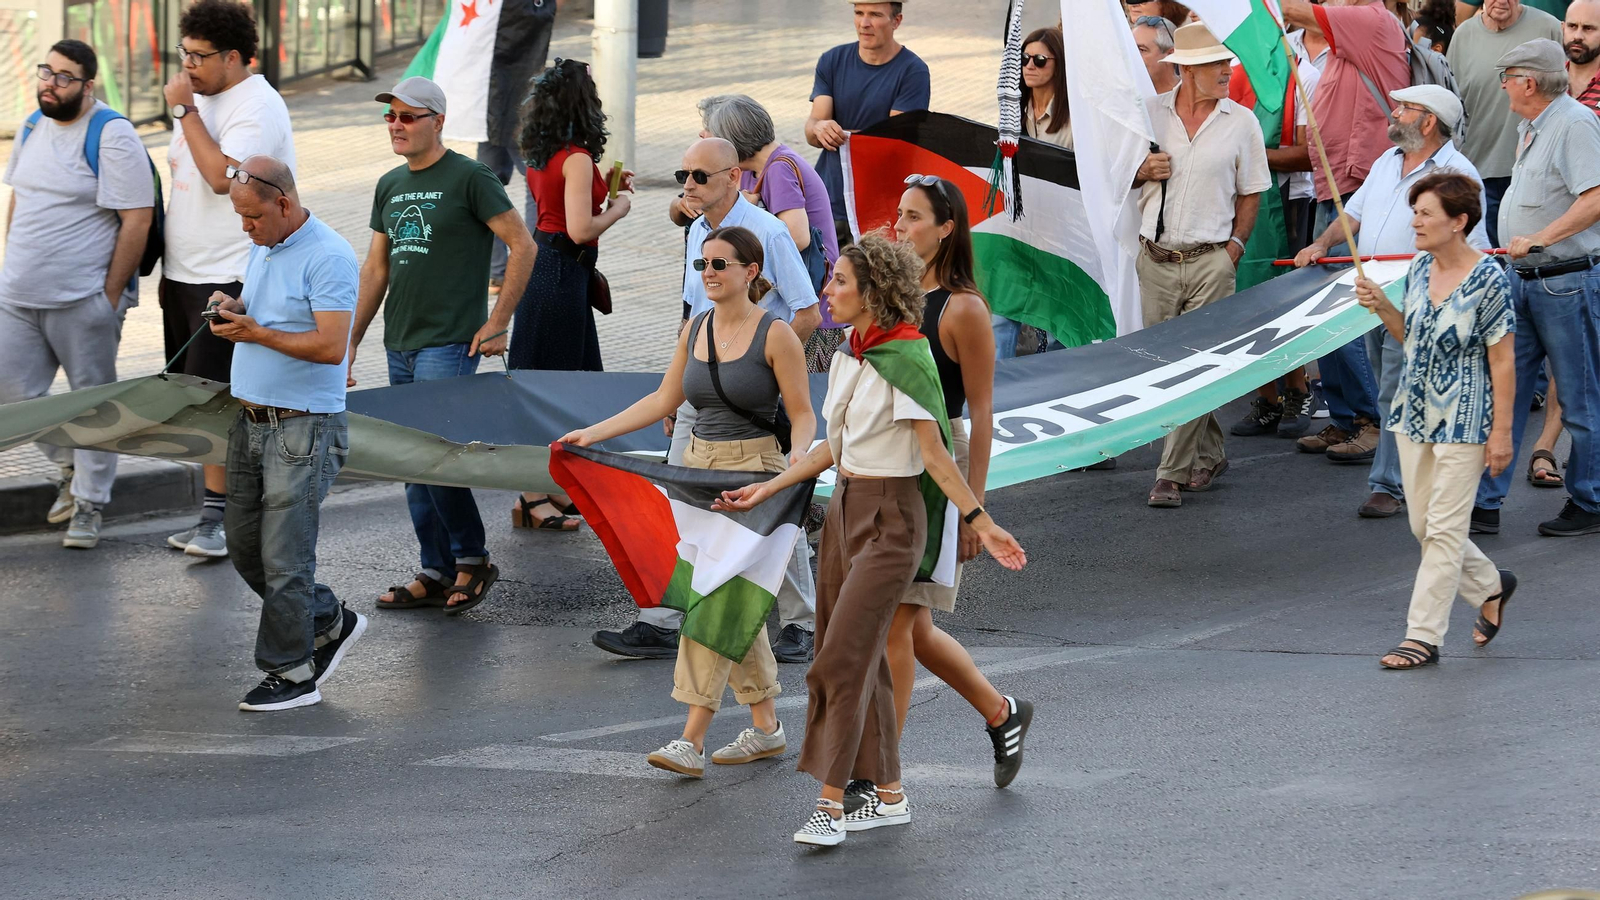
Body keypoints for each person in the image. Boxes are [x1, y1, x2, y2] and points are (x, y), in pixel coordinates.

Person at [712, 234, 1027, 847]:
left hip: (892, 519)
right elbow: (836, 445)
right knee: (865, 653)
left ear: (874, 293)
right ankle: (888, 794)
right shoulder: (849, 353)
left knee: (842, 658)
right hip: (846, 512)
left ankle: (833, 802)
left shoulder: (908, 359)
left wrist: (980, 520)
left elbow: (935, 454)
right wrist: (769, 487)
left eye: (839, 283)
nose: (827, 290)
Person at [559, 226, 815, 777]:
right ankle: (766, 727)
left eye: (721, 264)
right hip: (697, 479)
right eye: (703, 265)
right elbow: (663, 399)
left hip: (753, 480)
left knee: (712, 601)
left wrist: (796, 466)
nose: (709, 274)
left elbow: (802, 414)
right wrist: (591, 435)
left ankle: (691, 738)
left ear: (751, 271)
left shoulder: (776, 335)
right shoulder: (695, 328)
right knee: (729, 599)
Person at [590, 138, 820, 663]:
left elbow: (806, 310)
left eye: (698, 176)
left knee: (773, 512)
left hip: (755, 396)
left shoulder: (769, 232)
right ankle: (665, 619)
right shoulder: (699, 231)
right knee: (681, 507)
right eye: (682, 175)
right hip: (701, 378)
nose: (687, 185)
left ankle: (801, 622)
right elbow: (691, 320)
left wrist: (759, 367)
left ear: (733, 176)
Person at [348, 76, 537, 615]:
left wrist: (499, 322)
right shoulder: (389, 184)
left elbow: (522, 246)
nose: (397, 125)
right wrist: (351, 342)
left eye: (409, 116)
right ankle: (434, 568)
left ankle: (471, 560)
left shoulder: (471, 178)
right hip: (400, 341)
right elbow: (376, 268)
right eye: (391, 117)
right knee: (411, 461)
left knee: (436, 457)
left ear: (438, 122)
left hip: (450, 342)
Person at [878, 175, 1033, 799]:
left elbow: (982, 413)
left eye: (914, 217)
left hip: (938, 473)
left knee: (896, 628)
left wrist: (975, 511)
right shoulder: (890, 296)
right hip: (885, 466)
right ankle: (1001, 712)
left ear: (947, 229)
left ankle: (880, 776)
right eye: (899, 214)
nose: (900, 226)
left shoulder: (963, 307)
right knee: (909, 629)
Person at [208, 155, 365, 711]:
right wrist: (235, 309)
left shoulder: (328, 256)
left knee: (285, 558)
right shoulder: (265, 245)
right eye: (238, 215)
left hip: (302, 426)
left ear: (283, 203)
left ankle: (292, 673)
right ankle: (327, 619)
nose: (244, 227)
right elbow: (262, 310)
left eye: (251, 216)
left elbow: (329, 347)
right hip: (250, 420)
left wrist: (255, 332)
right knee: (244, 546)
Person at [1295, 86, 1489, 519]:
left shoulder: (1459, 173)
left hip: (1420, 299)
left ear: (1428, 121)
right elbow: (1353, 214)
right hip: (1375, 293)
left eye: (1405, 108)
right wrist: (1321, 243)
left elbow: (1473, 245)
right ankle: (1424, 477)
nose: (1394, 113)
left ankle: (1389, 485)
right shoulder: (1388, 161)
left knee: (1395, 392)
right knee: (1395, 392)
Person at [1352, 171, 1517, 670]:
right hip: (1413, 411)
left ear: (1459, 222)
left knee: (1444, 529)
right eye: (1416, 211)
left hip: (1466, 418)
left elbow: (1504, 361)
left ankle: (1421, 636)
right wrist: (1383, 307)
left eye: (1425, 214)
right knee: (1424, 525)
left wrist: (1502, 434)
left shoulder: (1490, 278)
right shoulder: (1421, 269)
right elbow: (1415, 339)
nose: (1415, 222)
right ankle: (1491, 585)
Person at [0, 40, 154, 550]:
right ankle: (67, 466)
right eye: (47, 71)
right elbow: (21, 198)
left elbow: (137, 218)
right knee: (12, 395)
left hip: (82, 299)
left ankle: (90, 504)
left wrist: (109, 295)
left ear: (88, 86)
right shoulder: (30, 126)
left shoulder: (110, 135)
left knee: (92, 404)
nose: (50, 82)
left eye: (64, 77)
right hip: (18, 296)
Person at [162, 0, 296, 560]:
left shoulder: (256, 106)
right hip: (183, 274)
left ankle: (220, 521)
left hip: (228, 273)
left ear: (236, 57)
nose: (187, 65)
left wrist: (182, 113)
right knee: (198, 399)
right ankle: (220, 514)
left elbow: (223, 179)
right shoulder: (204, 99)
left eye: (199, 55)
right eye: (183, 53)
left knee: (221, 401)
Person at [1136, 23, 1272, 508]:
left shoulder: (1242, 122)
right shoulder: (1149, 113)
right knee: (1165, 366)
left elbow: (1252, 191)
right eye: (1217, 64)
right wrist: (1140, 170)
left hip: (1213, 259)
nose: (1227, 71)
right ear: (1186, 70)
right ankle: (1210, 452)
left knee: (1194, 366)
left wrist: (1233, 248)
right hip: (1154, 258)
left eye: (1226, 62)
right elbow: (1111, 175)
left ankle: (1169, 473)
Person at [1472, 38, 1600, 537]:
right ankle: (1485, 500)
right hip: (1528, 280)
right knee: (1506, 389)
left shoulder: (1572, 123)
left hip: (1563, 280)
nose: (1502, 85)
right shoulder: (1538, 123)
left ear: (1528, 81)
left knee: (1580, 393)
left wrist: (1542, 238)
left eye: (1506, 76)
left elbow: (1595, 198)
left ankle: (1591, 499)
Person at [506, 58, 634, 531]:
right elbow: (580, 229)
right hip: (562, 273)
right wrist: (618, 208)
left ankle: (552, 488)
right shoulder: (577, 157)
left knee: (558, 379)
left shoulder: (540, 151)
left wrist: (608, 191)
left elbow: (561, 210)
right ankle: (531, 493)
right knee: (553, 386)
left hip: (548, 269)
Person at [1281, 0, 1409, 458]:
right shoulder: (1352, 25)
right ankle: (1342, 417)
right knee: (1326, 309)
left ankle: (1369, 419)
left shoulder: (1370, 20)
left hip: (1356, 185)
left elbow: (1290, 10)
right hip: (1336, 182)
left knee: (1351, 311)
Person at [691, 93, 845, 370]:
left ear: (732, 139)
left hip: (811, 310)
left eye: (712, 138)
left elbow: (796, 236)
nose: (704, 139)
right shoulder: (756, 169)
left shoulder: (779, 170)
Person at [1228, 26, 1321, 441]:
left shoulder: (1304, 75)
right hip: (1236, 198)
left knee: (1279, 304)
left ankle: (1298, 390)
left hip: (1288, 202)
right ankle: (1266, 397)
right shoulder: (1230, 72)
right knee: (1244, 303)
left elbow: (1308, 154)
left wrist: (1244, 151)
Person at [807, 0, 931, 244]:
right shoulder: (831, 60)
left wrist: (838, 133)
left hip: (879, 209)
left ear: (897, 21)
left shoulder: (913, 71)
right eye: (858, 13)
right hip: (828, 198)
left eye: (874, 14)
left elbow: (894, 141)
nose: (864, 23)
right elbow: (812, 130)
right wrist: (819, 127)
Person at [1449, 0, 1563, 247]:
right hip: (1477, 170)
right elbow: (1453, 100)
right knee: (1488, 261)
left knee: (1529, 258)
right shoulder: (1463, 35)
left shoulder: (1549, 28)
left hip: (1534, 172)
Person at [476, 0, 557, 295]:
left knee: (486, 184)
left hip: (493, 99)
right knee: (530, 183)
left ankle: (501, 271)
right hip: (520, 102)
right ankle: (526, 266)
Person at [1133, 15, 1182, 96]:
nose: (1134, 56)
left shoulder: (1192, 97)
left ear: (1170, 55)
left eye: (1142, 50)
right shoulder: (1122, 94)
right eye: (1132, 48)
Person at [1566, 0, 1600, 110]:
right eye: (1572, 26)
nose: (1578, 36)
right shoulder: (1544, 82)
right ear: (1562, 28)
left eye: (1588, 28)